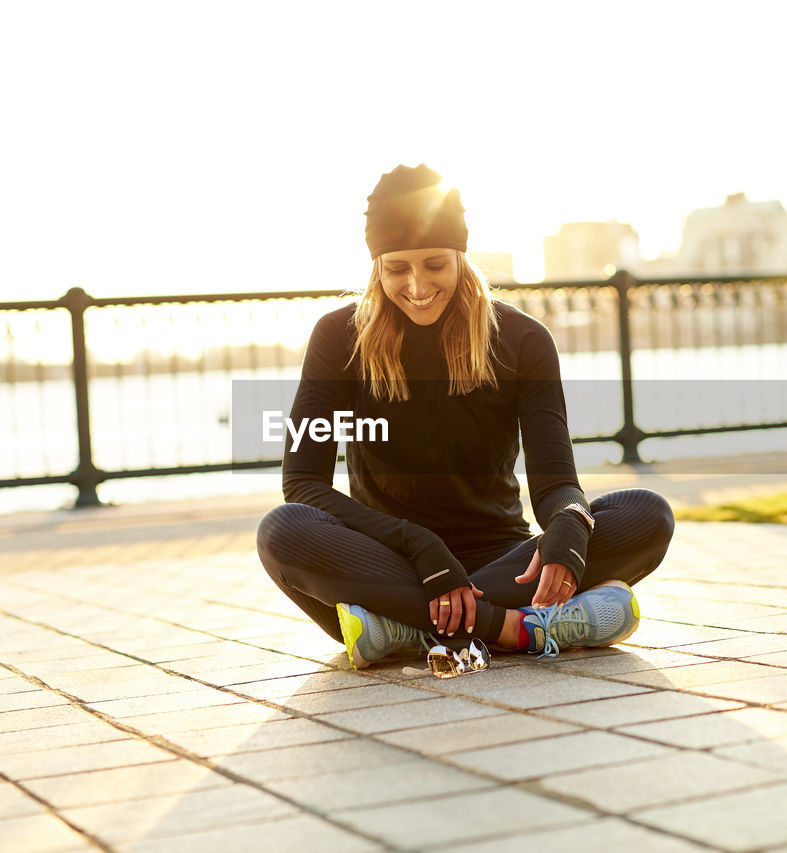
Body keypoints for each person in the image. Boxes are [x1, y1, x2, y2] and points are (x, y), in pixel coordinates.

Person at [256, 164, 674, 669]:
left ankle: (401, 630)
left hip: (503, 562)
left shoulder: (523, 340)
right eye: (396, 269)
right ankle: (515, 629)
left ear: (460, 256)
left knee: (648, 513)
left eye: (435, 264)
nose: (416, 285)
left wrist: (569, 521)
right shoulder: (337, 337)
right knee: (282, 531)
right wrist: (420, 544)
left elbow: (555, 480)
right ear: (376, 268)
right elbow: (303, 483)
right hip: (391, 563)